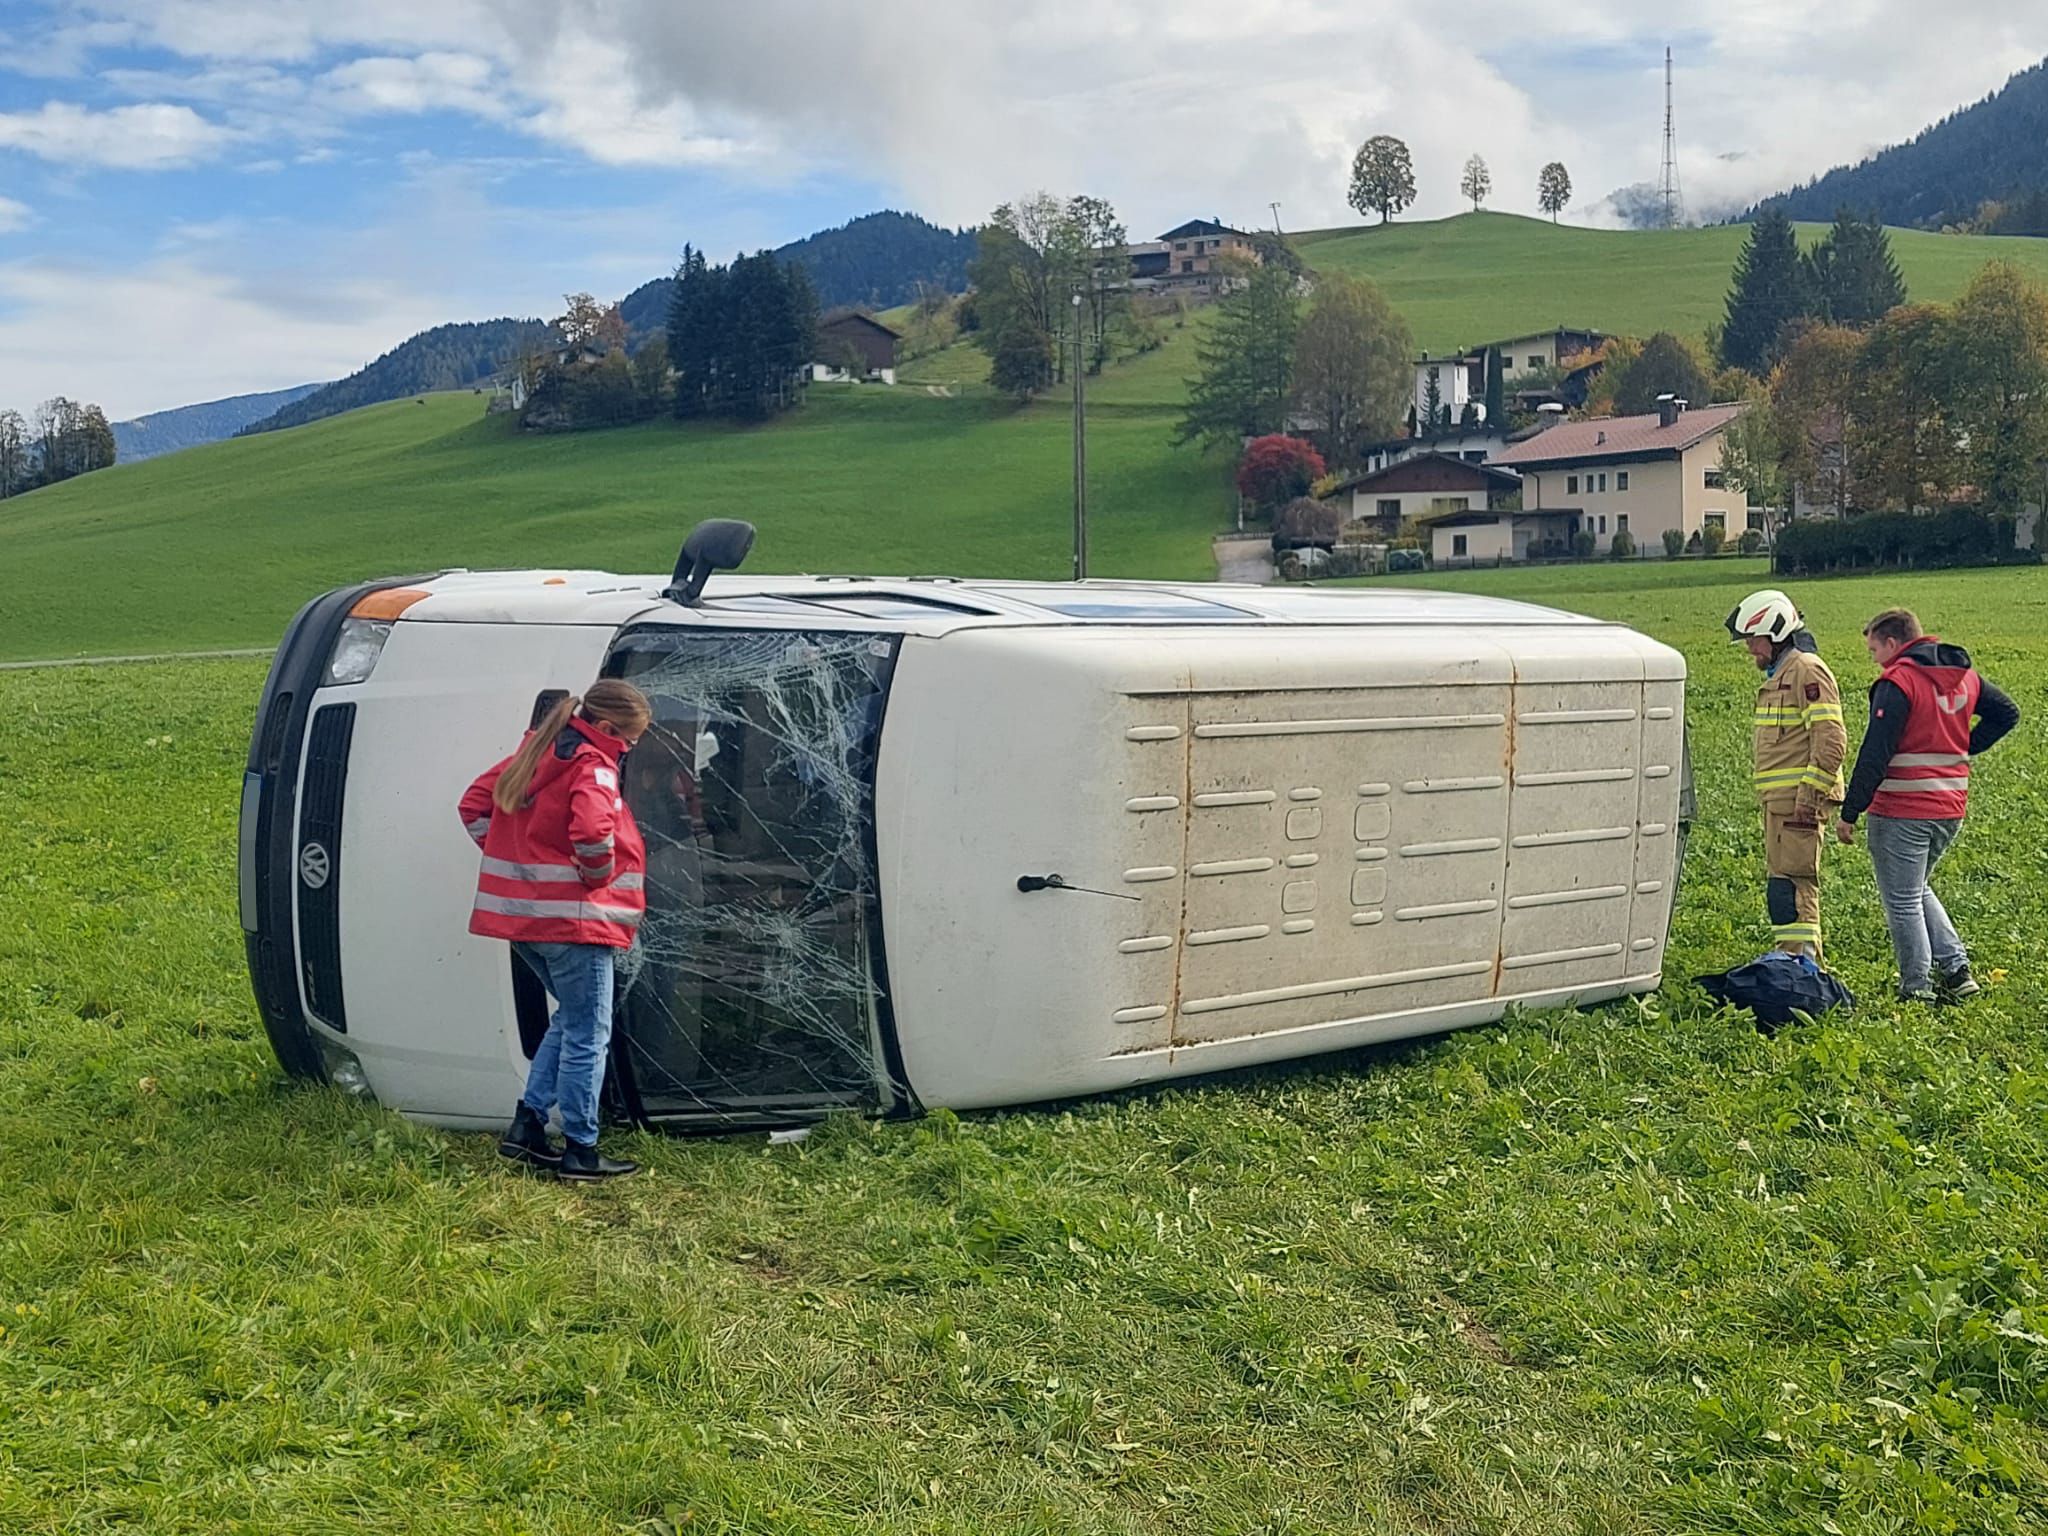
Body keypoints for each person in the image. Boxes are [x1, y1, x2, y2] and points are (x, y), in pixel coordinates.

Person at [458, 680, 652, 1180]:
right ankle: (581, 1149)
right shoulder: (593, 765)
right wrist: (594, 877)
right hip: (575, 923)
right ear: (606, 728)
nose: (628, 750)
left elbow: (474, 804)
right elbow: (592, 832)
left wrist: (514, 862)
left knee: (572, 1017)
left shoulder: (537, 751)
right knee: (590, 1030)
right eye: (628, 740)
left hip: (527, 923)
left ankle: (527, 1127)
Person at [1835, 609, 2020, 1002]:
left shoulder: (1898, 682)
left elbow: (1875, 753)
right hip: (1949, 807)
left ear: (1893, 643)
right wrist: (1963, 748)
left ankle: (1916, 988)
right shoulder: (1963, 676)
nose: (1874, 659)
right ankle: (1956, 969)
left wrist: (1851, 810)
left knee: (1902, 901)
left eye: (1874, 650)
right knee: (1916, 889)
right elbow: (2007, 712)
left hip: (1902, 808)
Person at [1726, 589, 1846, 962]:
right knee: (1782, 888)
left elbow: (1831, 741)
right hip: (1781, 805)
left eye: (1754, 640)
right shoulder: (1783, 674)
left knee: (1795, 886)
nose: (1750, 650)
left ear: (1776, 633)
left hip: (1798, 805)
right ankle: (1792, 959)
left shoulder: (1806, 671)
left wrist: (1809, 798)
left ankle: (1804, 967)